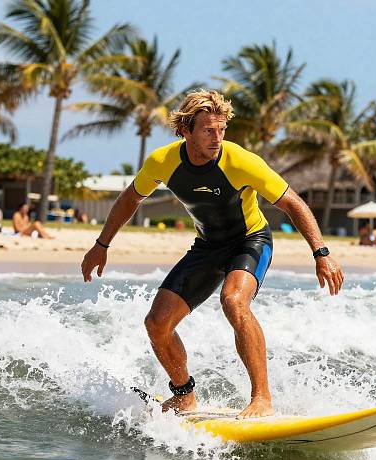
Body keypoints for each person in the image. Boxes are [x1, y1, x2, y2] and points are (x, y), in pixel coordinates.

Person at [81, 90, 344, 419]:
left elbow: (292, 202)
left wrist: (321, 253)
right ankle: (184, 396)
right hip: (208, 245)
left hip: (250, 241)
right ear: (186, 131)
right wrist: (101, 245)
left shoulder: (240, 161)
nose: (217, 138)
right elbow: (130, 199)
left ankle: (262, 398)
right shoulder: (163, 162)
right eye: (208, 130)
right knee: (157, 323)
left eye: (221, 130)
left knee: (234, 301)